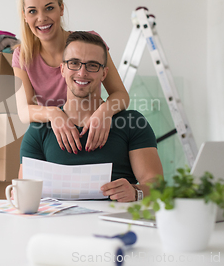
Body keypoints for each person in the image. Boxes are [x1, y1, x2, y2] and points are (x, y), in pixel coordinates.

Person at [18, 31, 163, 201]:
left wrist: (136, 191)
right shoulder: (39, 129)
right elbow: (23, 192)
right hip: (58, 225)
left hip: (116, 223)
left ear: (104, 73)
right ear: (62, 69)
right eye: (74, 63)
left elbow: (157, 186)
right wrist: (18, 194)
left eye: (92, 65)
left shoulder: (133, 123)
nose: (82, 72)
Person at [12, 0, 130, 155]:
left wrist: (104, 112)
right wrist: (54, 114)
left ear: (61, 8)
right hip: (55, 137)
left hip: (93, 131)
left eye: (49, 8)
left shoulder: (90, 43)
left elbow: (121, 95)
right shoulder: (22, 55)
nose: (41, 18)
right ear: (25, 16)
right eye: (33, 11)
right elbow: (23, 111)